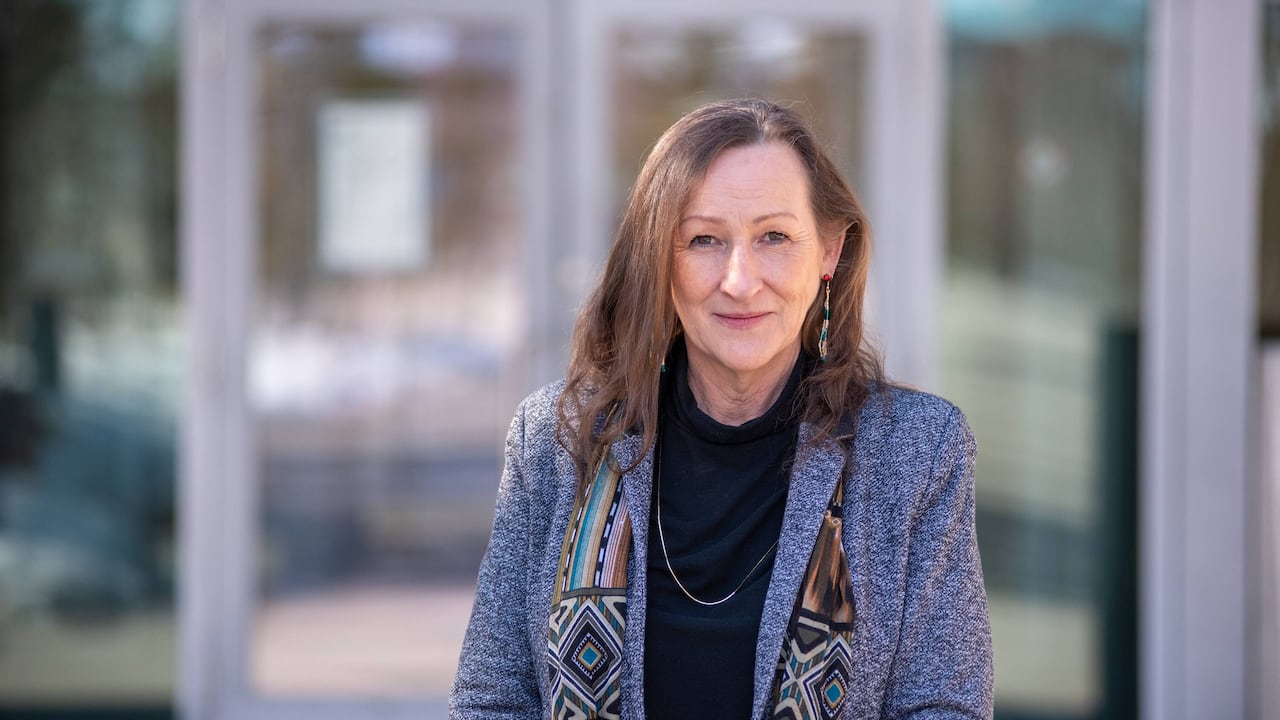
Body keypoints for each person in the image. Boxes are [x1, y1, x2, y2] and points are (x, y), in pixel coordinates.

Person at [450, 98, 992, 719]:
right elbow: (492, 698)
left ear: (829, 252)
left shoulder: (917, 451)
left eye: (775, 237)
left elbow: (943, 706)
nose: (739, 279)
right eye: (704, 239)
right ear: (660, 259)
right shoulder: (558, 439)